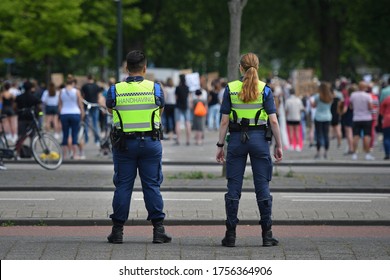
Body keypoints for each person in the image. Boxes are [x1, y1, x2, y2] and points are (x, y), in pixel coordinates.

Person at [216, 53, 283, 247]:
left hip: (237, 139)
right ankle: (267, 235)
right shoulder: (265, 90)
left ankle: (230, 235)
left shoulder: (230, 88)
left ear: (240, 68)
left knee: (233, 186)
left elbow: (224, 121)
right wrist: (279, 145)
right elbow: (273, 120)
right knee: (262, 185)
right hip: (259, 140)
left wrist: (220, 146)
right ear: (258, 67)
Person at [105, 50, 171, 244]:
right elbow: (160, 110)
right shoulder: (156, 89)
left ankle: (117, 231)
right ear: (145, 67)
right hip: (150, 143)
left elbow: (110, 109)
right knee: (152, 185)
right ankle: (158, 230)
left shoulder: (115, 89)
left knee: (123, 185)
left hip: (124, 144)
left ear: (126, 68)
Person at [58, 75, 85, 160]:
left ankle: (64, 155)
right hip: (75, 113)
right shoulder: (76, 91)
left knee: (65, 134)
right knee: (74, 134)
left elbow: (59, 104)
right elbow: (80, 103)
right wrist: (82, 112)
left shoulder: (61, 91)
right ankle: (74, 154)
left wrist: (60, 114)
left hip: (64, 113)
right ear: (73, 83)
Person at [14, 81, 42, 158]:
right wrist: (40, 115)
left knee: (21, 136)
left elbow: (15, 107)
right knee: (32, 137)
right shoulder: (34, 98)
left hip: (21, 118)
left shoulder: (19, 97)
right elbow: (40, 108)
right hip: (32, 119)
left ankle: (18, 153)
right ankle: (33, 153)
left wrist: (18, 112)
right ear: (31, 88)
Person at [349, 81, 374, 160]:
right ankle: (367, 154)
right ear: (365, 87)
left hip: (356, 118)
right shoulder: (368, 96)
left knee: (356, 136)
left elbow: (350, 106)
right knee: (366, 136)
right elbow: (370, 107)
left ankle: (354, 154)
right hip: (367, 118)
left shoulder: (353, 95)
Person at [311, 82, 333, 159]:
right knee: (326, 135)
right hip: (327, 117)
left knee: (319, 135)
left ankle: (318, 152)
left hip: (318, 117)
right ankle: (326, 152)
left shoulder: (317, 96)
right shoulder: (330, 96)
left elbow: (313, 106)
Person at [81, 74, 102, 145]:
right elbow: (99, 97)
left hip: (86, 105)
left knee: (86, 123)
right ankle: (97, 140)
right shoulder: (96, 86)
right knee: (95, 123)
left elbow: (82, 97)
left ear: (87, 78)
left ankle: (86, 139)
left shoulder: (84, 86)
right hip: (95, 105)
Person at [174, 74, 192, 145]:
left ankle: (178, 140)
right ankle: (188, 140)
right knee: (187, 123)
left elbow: (176, 98)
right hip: (186, 106)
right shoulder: (187, 88)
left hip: (178, 106)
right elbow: (189, 97)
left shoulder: (177, 88)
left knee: (178, 123)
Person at [379, 95, 390, 160]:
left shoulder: (386, 99)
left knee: (386, 137)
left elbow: (381, 112)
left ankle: (387, 154)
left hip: (387, 119)